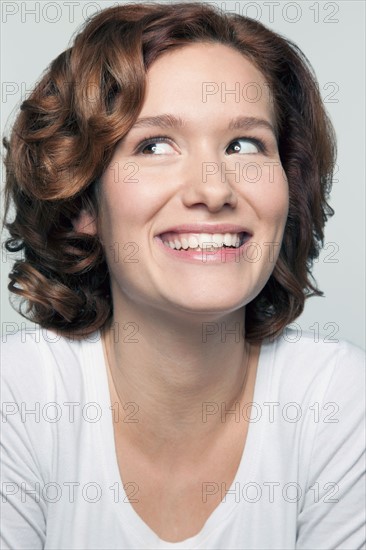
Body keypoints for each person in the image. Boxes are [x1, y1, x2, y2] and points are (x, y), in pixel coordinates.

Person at [1, 2, 364, 549]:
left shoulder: (339, 401)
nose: (214, 190)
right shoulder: (19, 398)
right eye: (154, 145)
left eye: (244, 144)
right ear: (83, 203)